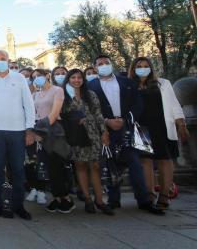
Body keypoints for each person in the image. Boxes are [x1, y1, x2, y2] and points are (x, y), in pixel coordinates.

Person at [87, 54, 164, 215]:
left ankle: (143, 200)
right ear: (95, 68)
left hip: (127, 128)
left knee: (135, 163)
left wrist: (125, 120)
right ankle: (114, 200)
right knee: (110, 165)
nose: (103, 65)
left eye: (106, 62)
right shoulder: (90, 86)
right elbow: (89, 110)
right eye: (100, 64)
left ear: (111, 64)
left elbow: (137, 104)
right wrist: (106, 122)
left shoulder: (126, 82)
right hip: (105, 130)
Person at [128, 57, 189, 209]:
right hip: (141, 128)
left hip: (162, 127)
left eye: (146, 65)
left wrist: (181, 123)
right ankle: (149, 194)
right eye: (139, 66)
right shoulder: (130, 86)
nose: (143, 68)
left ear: (151, 68)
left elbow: (174, 104)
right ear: (133, 69)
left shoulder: (163, 83)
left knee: (164, 160)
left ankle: (165, 194)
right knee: (145, 161)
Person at [0, 50, 35, 220]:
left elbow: (28, 104)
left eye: (2, 59)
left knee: (18, 170)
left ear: (8, 60)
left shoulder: (19, 78)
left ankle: (18, 205)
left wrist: (29, 129)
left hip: (17, 131)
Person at [62, 69, 113, 215]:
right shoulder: (63, 96)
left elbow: (98, 113)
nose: (76, 80)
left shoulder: (90, 95)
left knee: (95, 165)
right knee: (80, 165)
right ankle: (87, 199)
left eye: (79, 77)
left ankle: (100, 200)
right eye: (73, 77)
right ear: (68, 80)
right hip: (76, 135)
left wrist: (104, 131)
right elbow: (61, 116)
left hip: (93, 134)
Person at [31, 69, 75, 214]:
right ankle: (56, 198)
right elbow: (33, 113)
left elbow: (55, 113)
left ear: (47, 76)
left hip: (54, 132)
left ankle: (66, 198)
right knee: (49, 167)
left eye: (39, 75)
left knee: (57, 165)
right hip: (40, 133)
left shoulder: (57, 90)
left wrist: (39, 130)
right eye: (34, 77)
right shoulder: (35, 94)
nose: (37, 78)